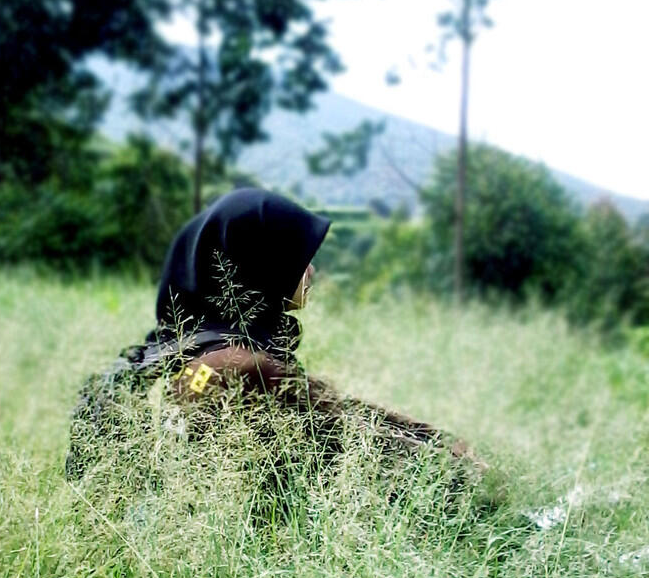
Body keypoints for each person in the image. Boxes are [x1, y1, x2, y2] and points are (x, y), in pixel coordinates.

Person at [66, 187, 477, 485]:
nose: (311, 272)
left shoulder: (174, 350)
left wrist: (433, 436)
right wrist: (452, 461)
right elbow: (352, 432)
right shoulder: (238, 363)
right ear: (256, 263)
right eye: (297, 259)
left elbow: (332, 408)